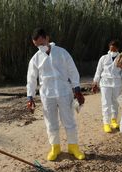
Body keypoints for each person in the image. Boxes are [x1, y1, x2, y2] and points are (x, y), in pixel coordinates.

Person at [26, 28, 85, 161]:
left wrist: (77, 89)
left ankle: (73, 146)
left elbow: (72, 70)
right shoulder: (35, 58)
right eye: (36, 45)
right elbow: (31, 78)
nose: (40, 47)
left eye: (41, 43)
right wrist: (30, 97)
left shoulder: (62, 52)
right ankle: (55, 147)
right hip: (47, 94)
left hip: (64, 91)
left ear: (47, 38)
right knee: (51, 122)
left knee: (68, 120)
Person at [92, 40, 122, 133]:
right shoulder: (103, 58)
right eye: (111, 48)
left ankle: (114, 120)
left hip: (117, 83)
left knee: (115, 102)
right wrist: (95, 82)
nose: (112, 50)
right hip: (105, 83)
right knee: (106, 103)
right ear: (109, 48)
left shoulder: (121, 58)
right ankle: (106, 123)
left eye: (114, 48)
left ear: (117, 48)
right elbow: (98, 71)